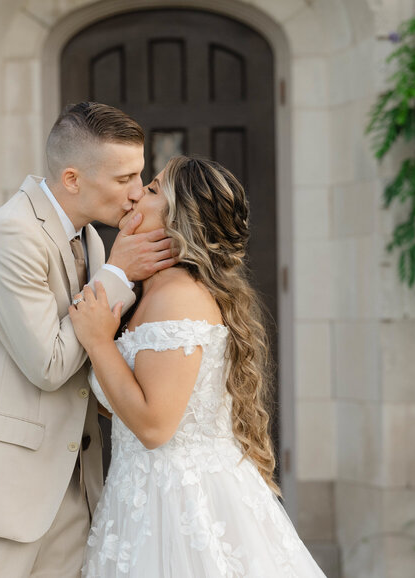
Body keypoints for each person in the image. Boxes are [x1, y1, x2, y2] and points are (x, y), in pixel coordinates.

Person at [0, 102, 175, 577]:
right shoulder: (9, 235)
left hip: (72, 491)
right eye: (123, 179)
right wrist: (120, 273)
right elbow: (50, 364)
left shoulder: (92, 240)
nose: (136, 193)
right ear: (72, 178)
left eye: (139, 176)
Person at [68, 156, 327, 577]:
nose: (136, 193)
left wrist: (99, 341)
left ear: (178, 221)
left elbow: (154, 427)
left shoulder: (178, 298)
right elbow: (125, 401)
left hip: (180, 503)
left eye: (151, 189)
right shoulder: (148, 293)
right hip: (138, 496)